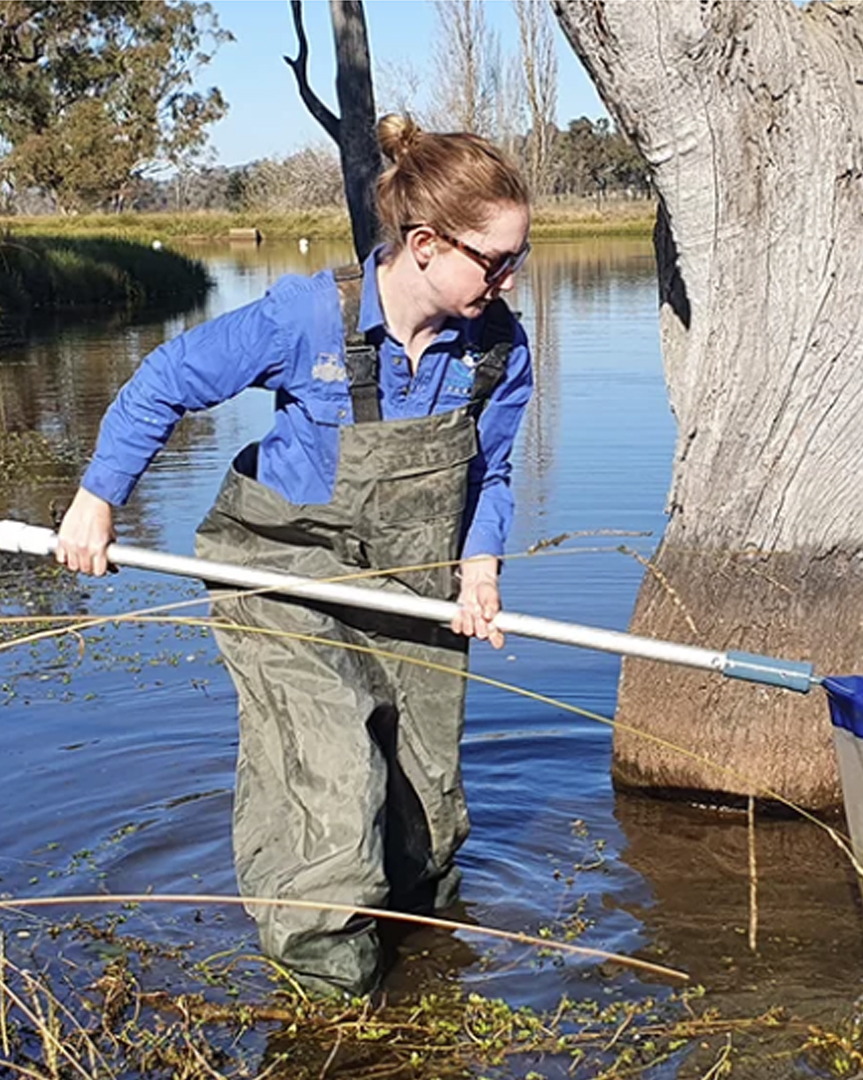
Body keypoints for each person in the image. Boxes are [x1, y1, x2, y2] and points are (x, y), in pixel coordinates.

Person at [54, 114, 533, 996]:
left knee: (425, 798)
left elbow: (493, 472)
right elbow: (165, 382)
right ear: (425, 244)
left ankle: (425, 958)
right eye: (495, 261)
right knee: (334, 773)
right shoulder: (308, 318)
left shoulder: (495, 348)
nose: (507, 282)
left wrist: (481, 567)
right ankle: (330, 1001)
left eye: (518, 262)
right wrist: (97, 499)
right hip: (278, 574)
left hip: (412, 581)